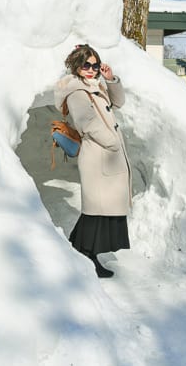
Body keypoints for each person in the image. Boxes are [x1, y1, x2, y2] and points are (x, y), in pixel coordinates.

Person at [54, 44, 131, 278]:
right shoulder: (77, 92)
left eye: (94, 65)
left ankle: (79, 249)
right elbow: (87, 122)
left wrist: (111, 79)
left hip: (106, 153)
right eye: (85, 64)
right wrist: (112, 142)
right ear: (76, 66)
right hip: (98, 155)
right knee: (96, 209)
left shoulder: (94, 86)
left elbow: (118, 103)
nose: (90, 69)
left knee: (99, 209)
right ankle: (87, 254)